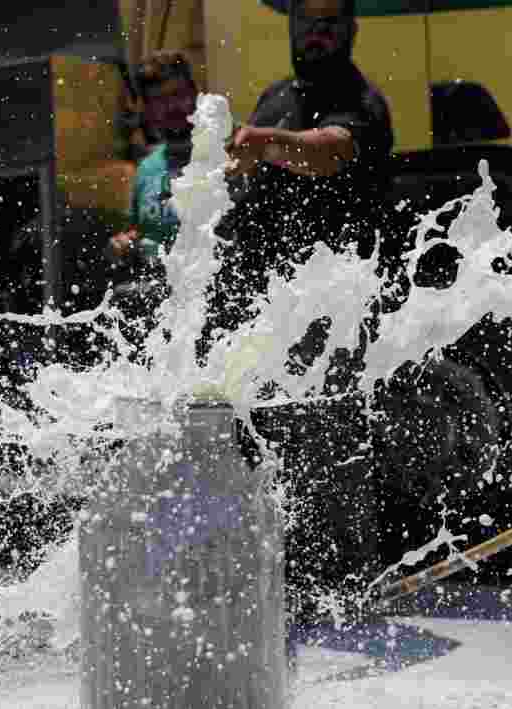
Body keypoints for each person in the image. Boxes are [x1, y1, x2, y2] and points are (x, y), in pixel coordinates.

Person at [203, 0, 403, 621]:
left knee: (329, 447)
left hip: (330, 307)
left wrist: (266, 143)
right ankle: (277, 581)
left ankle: (347, 593)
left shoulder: (359, 99)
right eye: (306, 22)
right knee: (259, 446)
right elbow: (251, 173)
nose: (315, 34)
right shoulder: (274, 94)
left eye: (329, 23)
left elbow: (326, 152)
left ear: (349, 31)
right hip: (264, 304)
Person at [106, 51, 199, 346]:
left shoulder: (227, 150)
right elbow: (143, 231)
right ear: (147, 109)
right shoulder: (147, 168)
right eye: (159, 99)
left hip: (213, 310)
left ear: (195, 95)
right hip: (162, 322)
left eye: (178, 94)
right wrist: (125, 243)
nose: (172, 106)